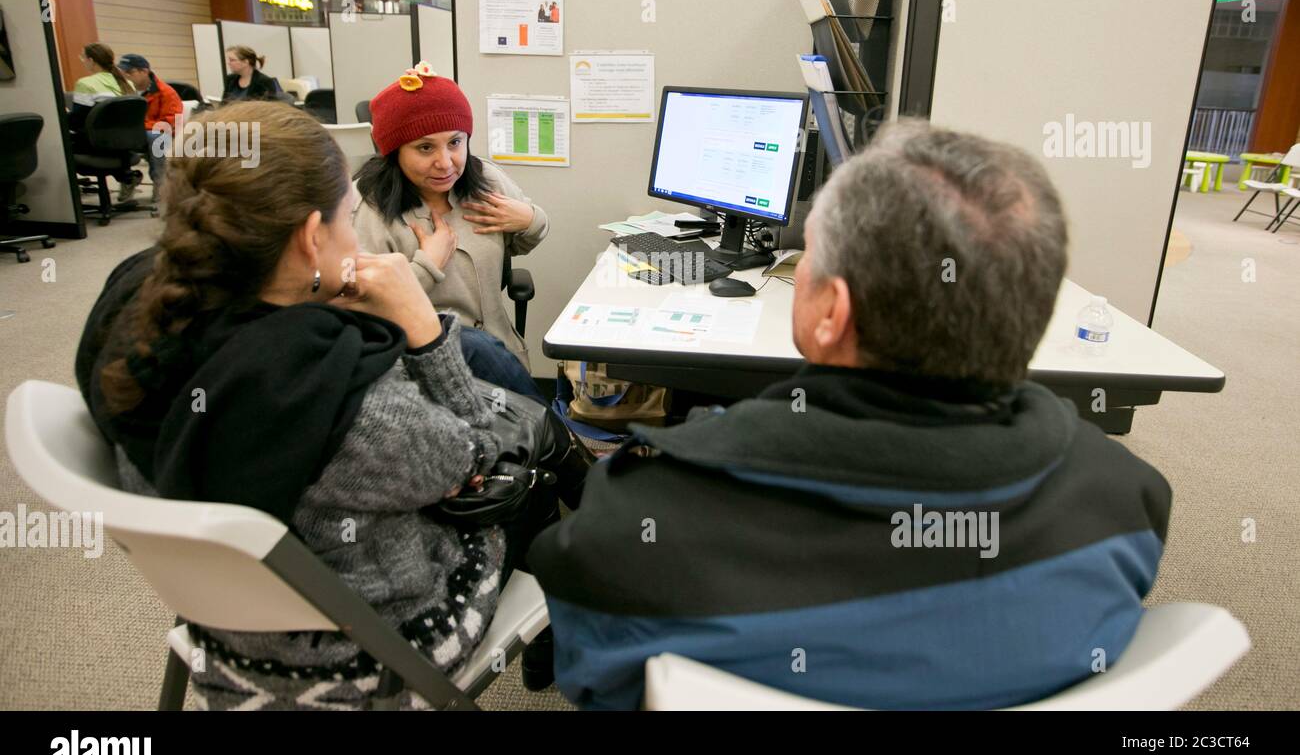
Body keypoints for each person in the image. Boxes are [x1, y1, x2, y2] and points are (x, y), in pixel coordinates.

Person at [527, 119, 1173, 711]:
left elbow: (591, 675)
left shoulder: (647, 518)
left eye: (807, 252)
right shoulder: (1125, 498)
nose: (799, 267)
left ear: (832, 311)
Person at [74, 102, 586, 709]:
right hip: (371, 638)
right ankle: (581, 591)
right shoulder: (345, 401)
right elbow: (469, 458)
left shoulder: (132, 301)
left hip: (222, 612)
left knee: (524, 418)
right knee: (529, 473)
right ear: (310, 236)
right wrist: (423, 326)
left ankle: (589, 497)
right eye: (348, 217)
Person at [352, 65, 549, 381]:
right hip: (425, 372)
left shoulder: (484, 178)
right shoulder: (370, 209)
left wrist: (530, 220)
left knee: (533, 426)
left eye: (455, 142)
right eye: (425, 147)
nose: (445, 162)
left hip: (500, 357)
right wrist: (427, 264)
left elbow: (522, 242)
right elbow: (367, 313)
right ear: (394, 152)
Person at [68, 43, 140, 200]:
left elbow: (76, 121)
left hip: (98, 146)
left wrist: (64, 116)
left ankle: (70, 202)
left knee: (64, 145)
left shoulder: (86, 84)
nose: (83, 61)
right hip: (125, 146)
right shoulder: (127, 83)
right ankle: (125, 175)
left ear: (91, 60)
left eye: (83, 57)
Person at [116, 53, 182, 203]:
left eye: (130, 72)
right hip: (132, 132)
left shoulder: (166, 92)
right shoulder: (123, 91)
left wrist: (140, 127)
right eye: (123, 72)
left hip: (158, 132)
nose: (126, 76)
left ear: (144, 71)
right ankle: (127, 179)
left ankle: (161, 182)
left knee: (158, 138)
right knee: (112, 137)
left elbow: (170, 121)